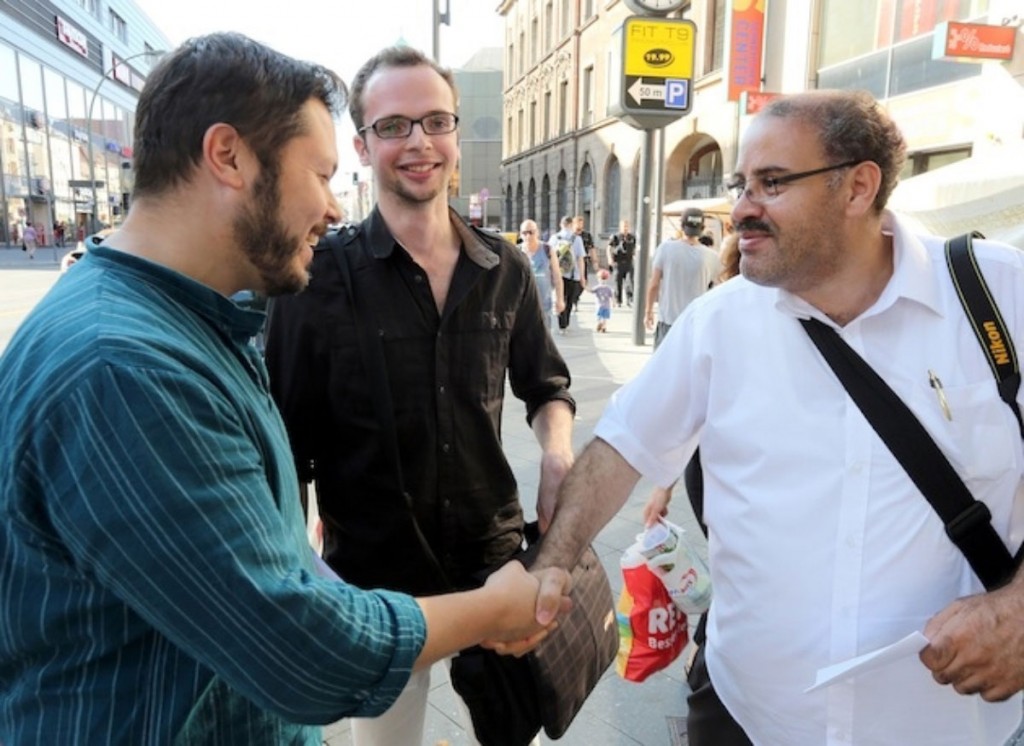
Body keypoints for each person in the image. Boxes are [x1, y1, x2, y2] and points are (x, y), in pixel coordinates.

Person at [0, 33, 570, 746]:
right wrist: (490, 611)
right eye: (320, 173)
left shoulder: (199, 322)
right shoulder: (123, 368)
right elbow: (302, 651)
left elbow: (257, 556)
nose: (333, 209)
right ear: (228, 156)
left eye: (436, 121)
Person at [531, 89, 1024, 745]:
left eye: (772, 184)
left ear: (858, 186)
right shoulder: (718, 324)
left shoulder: (1002, 299)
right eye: (741, 185)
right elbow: (620, 450)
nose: (739, 210)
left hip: (951, 727)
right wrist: (551, 567)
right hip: (747, 718)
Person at [264, 45, 577, 746]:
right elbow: (285, 448)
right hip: (376, 585)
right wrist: (296, 577)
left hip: (492, 564)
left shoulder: (506, 269)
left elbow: (548, 388)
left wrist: (558, 456)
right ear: (361, 144)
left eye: (436, 121)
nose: (419, 143)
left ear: (456, 134)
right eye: (395, 125)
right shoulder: (315, 280)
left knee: (513, 729)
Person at [644, 206, 720, 349]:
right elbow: (718, 288)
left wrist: (648, 311)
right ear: (702, 228)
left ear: (682, 226)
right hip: (696, 322)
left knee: (663, 367)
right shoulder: (712, 256)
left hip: (668, 320)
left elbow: (654, 284)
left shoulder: (665, 248)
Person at [520, 217, 565, 328]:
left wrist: (560, 299)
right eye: (524, 233)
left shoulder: (547, 249)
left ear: (537, 232)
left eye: (531, 232)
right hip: (522, 306)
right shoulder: (517, 252)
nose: (528, 236)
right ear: (520, 234)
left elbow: (557, 276)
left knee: (543, 340)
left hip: (543, 305)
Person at [550, 214, 587, 333]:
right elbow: (580, 259)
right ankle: (565, 323)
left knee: (560, 297)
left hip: (558, 274)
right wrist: (582, 276)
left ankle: (561, 323)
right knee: (569, 299)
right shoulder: (577, 239)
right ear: (571, 225)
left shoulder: (554, 238)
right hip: (572, 274)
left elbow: (549, 256)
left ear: (561, 225)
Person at [606, 218, 637, 307]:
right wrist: (609, 259)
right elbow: (609, 248)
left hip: (628, 262)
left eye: (627, 226)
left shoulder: (632, 237)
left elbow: (634, 249)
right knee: (617, 282)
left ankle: (630, 299)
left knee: (629, 281)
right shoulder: (615, 237)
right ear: (620, 227)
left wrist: (635, 258)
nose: (625, 228)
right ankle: (618, 300)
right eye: (624, 226)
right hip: (618, 262)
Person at [588, 267, 614, 333]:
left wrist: (614, 302)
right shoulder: (605, 288)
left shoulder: (602, 288)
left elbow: (591, 291)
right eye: (602, 279)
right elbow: (612, 296)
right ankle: (603, 326)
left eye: (604, 279)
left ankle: (601, 325)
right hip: (604, 305)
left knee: (601, 316)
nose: (603, 281)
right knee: (603, 317)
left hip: (601, 305)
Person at [574, 214, 597, 284]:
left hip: (584, 261)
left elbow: (592, 249)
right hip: (573, 261)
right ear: (574, 224)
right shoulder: (570, 235)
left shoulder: (587, 235)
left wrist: (595, 262)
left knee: (584, 280)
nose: (580, 226)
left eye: (581, 224)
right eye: (578, 223)